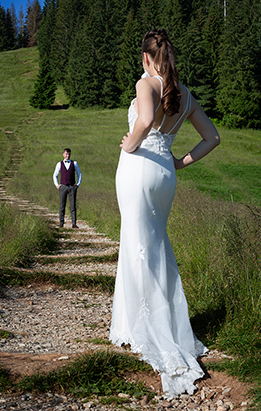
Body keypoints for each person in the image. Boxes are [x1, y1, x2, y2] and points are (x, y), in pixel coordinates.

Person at [109, 29, 220, 399]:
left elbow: (142, 120)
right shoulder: (184, 94)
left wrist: (131, 141)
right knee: (153, 245)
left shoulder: (147, 83)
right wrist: (178, 162)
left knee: (137, 243)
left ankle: (150, 331)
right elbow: (212, 137)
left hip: (139, 167)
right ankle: (160, 323)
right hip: (164, 174)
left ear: (145, 57)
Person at [53, 148, 82, 228]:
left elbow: (79, 174)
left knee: (73, 205)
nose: (67, 156)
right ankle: (61, 223)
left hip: (72, 186)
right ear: (63, 154)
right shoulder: (59, 164)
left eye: (69, 154)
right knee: (62, 205)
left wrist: (78, 184)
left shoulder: (74, 163)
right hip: (63, 187)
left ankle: (74, 223)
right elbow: (55, 175)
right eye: (66, 154)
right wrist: (57, 185)